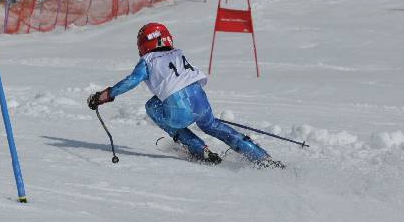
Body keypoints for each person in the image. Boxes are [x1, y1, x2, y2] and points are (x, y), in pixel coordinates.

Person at [87, 22, 282, 167]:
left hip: (178, 108)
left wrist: (105, 96)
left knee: (152, 106)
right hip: (200, 100)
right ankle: (261, 157)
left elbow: (131, 81)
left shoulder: (148, 60)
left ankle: (198, 149)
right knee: (212, 125)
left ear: (144, 44)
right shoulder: (178, 53)